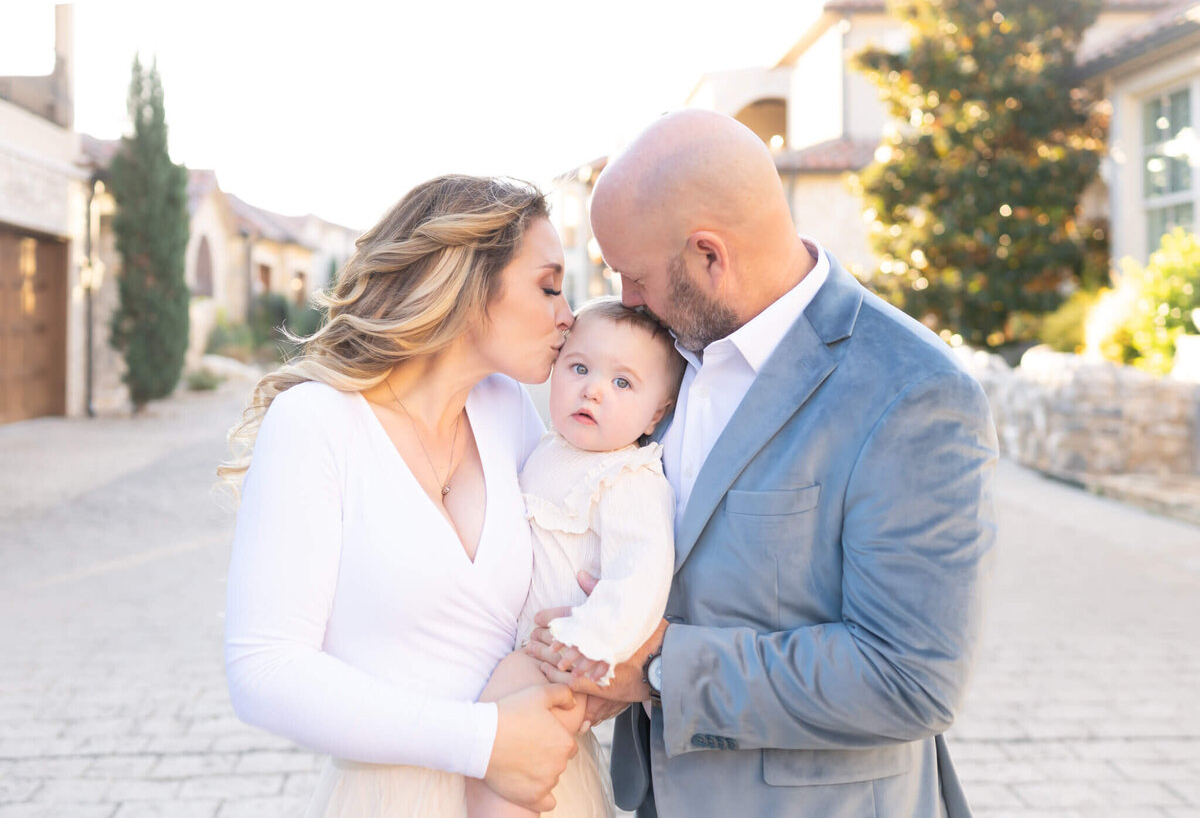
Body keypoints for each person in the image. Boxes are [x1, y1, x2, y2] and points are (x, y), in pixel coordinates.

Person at [528, 110, 998, 817]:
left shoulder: (913, 393)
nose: (625, 300)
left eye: (637, 276)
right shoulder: (662, 358)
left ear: (710, 256)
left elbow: (911, 676)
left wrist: (657, 666)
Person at [219, 175, 582, 816]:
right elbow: (265, 670)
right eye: (549, 286)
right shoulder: (316, 423)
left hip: (541, 792)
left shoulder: (509, 411)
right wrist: (484, 742)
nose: (567, 315)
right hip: (399, 796)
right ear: (468, 281)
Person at [466, 298, 684, 818]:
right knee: (512, 768)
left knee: (498, 761)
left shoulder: (628, 478)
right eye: (580, 368)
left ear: (656, 413)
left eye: (623, 383)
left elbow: (642, 574)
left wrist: (592, 641)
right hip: (530, 648)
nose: (594, 389)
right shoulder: (547, 449)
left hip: (561, 659)